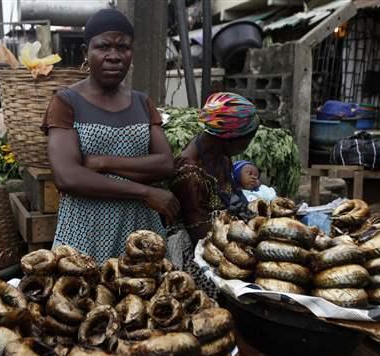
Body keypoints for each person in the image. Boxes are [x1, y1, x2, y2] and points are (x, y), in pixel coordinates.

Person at [42, 9, 179, 263]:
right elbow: (68, 176)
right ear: (86, 52)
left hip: (139, 231)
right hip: (86, 232)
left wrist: (103, 162)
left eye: (123, 47)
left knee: (145, 296)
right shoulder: (66, 102)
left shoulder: (142, 102)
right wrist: (145, 192)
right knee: (82, 297)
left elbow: (164, 163)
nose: (114, 56)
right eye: (103, 47)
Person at [169, 92, 258, 295]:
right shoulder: (189, 175)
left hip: (220, 242)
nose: (248, 144)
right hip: (197, 257)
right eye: (248, 139)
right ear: (230, 139)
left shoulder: (221, 158)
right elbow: (201, 238)